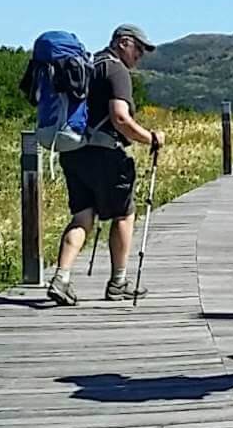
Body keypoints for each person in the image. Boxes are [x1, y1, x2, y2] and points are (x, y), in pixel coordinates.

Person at [47, 24, 162, 306]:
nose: (140, 56)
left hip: (73, 151)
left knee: (82, 217)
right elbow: (120, 118)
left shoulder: (90, 64)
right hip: (105, 153)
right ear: (124, 43)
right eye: (139, 49)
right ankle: (118, 282)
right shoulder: (116, 70)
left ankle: (61, 278)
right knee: (124, 213)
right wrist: (151, 138)